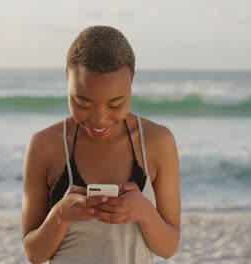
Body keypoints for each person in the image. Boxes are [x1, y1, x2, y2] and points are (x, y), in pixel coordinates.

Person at [21, 25, 180, 264]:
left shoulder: (157, 141)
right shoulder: (45, 145)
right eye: (82, 104)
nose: (99, 119)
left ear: (131, 85)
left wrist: (145, 213)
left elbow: (168, 247)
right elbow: (34, 253)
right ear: (67, 80)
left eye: (115, 104)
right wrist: (60, 216)